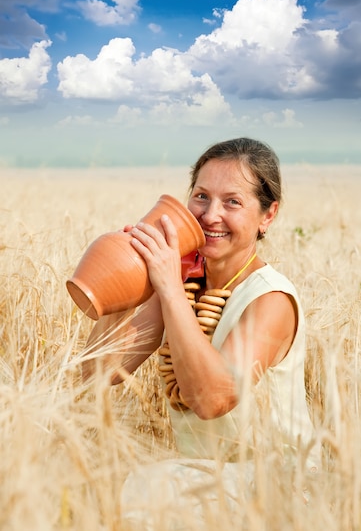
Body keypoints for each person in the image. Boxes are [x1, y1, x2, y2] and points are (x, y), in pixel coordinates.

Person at [82, 137, 320, 530]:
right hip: (202, 482)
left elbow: (212, 399)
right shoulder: (184, 284)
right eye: (201, 196)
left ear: (268, 215)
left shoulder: (271, 298)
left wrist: (169, 288)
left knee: (146, 489)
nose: (211, 215)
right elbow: (95, 375)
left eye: (233, 202)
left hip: (277, 488)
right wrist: (128, 282)